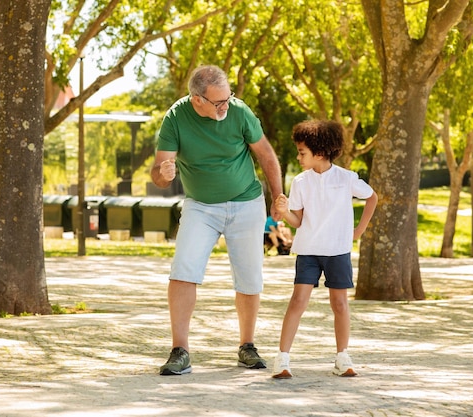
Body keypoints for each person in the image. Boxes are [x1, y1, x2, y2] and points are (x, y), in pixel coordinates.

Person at [151, 65, 283, 376]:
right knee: (183, 269)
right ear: (197, 99)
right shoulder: (176, 118)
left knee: (250, 275)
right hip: (200, 207)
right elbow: (159, 170)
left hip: (246, 203)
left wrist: (277, 198)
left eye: (227, 98)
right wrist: (163, 173)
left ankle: (247, 345)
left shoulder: (239, 112)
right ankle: (180, 350)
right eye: (218, 102)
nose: (225, 106)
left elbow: (266, 154)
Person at [271, 120, 377, 379]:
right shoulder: (300, 181)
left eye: (302, 152)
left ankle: (342, 358)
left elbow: (372, 197)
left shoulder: (346, 178)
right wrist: (285, 215)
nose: (298, 157)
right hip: (307, 249)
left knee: (340, 304)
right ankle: (282, 360)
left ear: (319, 152)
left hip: (338, 250)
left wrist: (359, 231)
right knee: (298, 302)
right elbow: (298, 221)